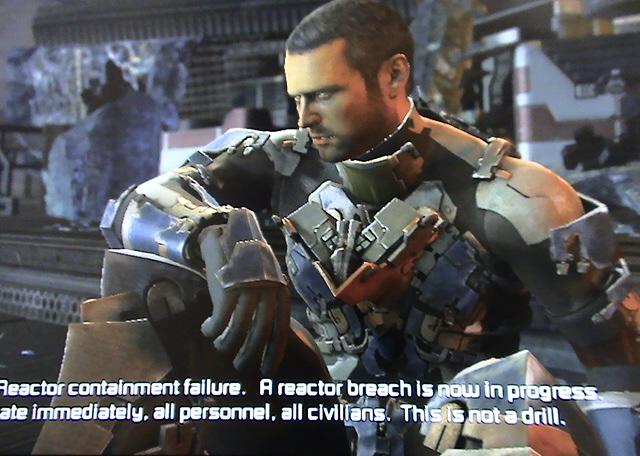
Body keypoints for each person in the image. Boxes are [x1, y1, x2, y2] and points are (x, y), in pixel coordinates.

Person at [96, 0, 638, 454]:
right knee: (159, 293)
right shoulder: (283, 162)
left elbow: (622, 374)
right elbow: (134, 206)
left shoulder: (515, 196)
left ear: (394, 76)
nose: (305, 117)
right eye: (297, 97)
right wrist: (214, 236)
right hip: (323, 420)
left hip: (454, 430)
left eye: (323, 94)